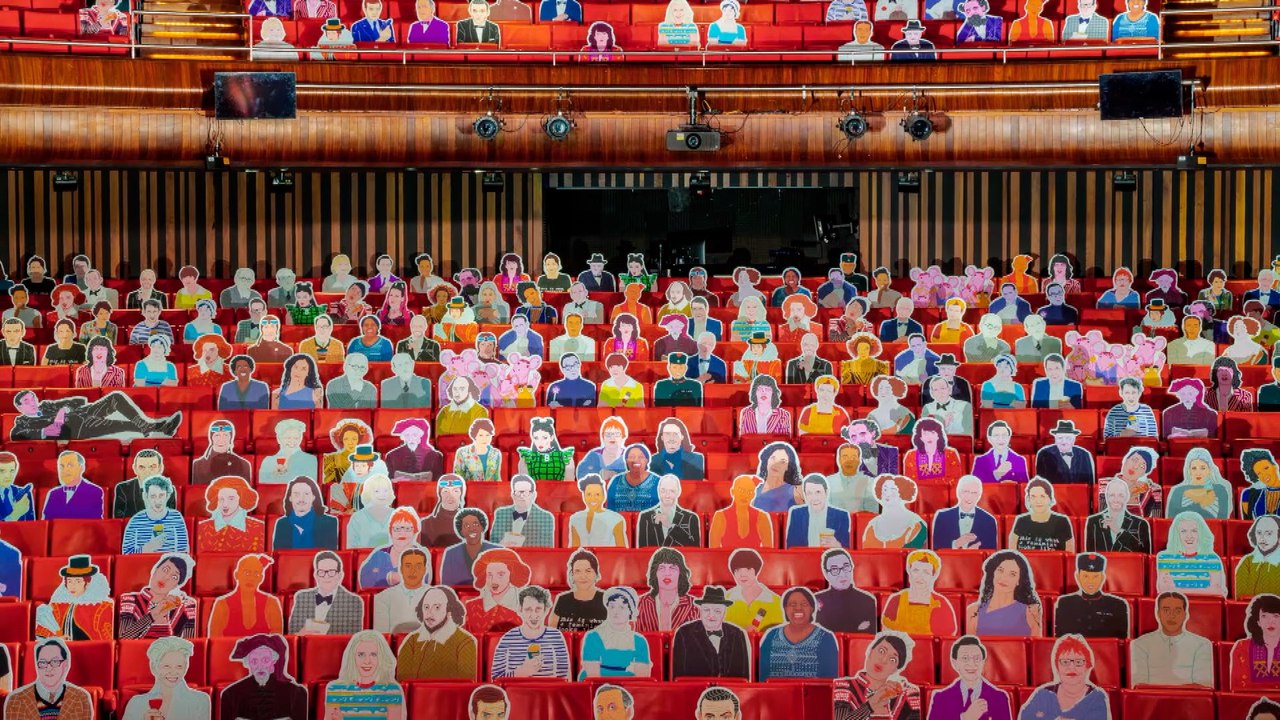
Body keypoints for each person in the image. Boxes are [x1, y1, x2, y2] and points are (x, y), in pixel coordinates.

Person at [1129, 591, 1214, 687]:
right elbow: (1138, 685)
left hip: (1189, 701)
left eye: (1177, 611)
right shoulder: (1140, 644)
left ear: (1185, 615)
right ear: (1158, 614)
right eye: (1166, 610)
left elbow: (1203, 686)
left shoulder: (1202, 645)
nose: (1172, 615)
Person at [1017, 634, 1111, 720]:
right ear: (1057, 667)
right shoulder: (1042, 695)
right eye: (1065, 662)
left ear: (1087, 666)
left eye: (1078, 662)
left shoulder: (1097, 697)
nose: (1071, 667)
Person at [833, 631, 922, 720]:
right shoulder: (843, 687)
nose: (883, 660)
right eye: (881, 651)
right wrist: (871, 705)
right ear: (870, 652)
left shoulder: (908, 694)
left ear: (895, 669)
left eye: (892, 659)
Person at [396, 585, 478, 680]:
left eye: (437, 607)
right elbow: (402, 682)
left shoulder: (465, 642)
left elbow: (466, 684)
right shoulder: (411, 641)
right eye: (426, 607)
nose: (429, 613)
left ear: (449, 611)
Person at [218, 634, 309, 720]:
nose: (260, 666)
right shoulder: (231, 695)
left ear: (273, 660)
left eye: (265, 660)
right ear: (247, 663)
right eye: (254, 661)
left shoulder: (295, 694)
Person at [119, 636, 212, 720]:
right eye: (166, 666)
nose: (173, 672)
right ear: (154, 667)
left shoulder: (200, 701)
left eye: (179, 666)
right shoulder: (136, 703)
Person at [490, 586, 571, 679]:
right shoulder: (507, 639)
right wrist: (523, 671)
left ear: (545, 610)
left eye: (538, 609)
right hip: (516, 692)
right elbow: (495, 679)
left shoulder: (556, 637)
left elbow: (565, 679)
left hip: (548, 693)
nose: (534, 615)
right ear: (520, 610)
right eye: (528, 609)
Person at [322, 632, 406, 719]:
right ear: (353, 657)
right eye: (361, 654)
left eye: (373, 655)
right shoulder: (335, 689)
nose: (367, 661)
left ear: (381, 657)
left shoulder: (392, 691)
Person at [5, 638, 95, 720]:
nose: (48, 668)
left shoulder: (81, 699)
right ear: (37, 665)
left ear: (65, 664)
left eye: (55, 662)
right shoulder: (16, 701)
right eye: (43, 663)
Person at [927, 636, 1013, 720]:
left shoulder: (999, 698)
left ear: (983, 662)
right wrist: (964, 718)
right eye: (965, 658)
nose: (971, 664)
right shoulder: (941, 699)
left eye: (977, 659)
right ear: (955, 663)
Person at [118, 553, 198, 639]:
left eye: (174, 577)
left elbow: (188, 648)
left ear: (176, 585)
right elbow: (124, 638)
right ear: (155, 570)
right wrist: (154, 614)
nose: (166, 577)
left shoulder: (186, 607)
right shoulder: (130, 601)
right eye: (165, 570)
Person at [579, 586, 652, 679]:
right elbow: (593, 677)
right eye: (612, 606)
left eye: (622, 607)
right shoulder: (593, 637)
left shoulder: (639, 641)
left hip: (628, 690)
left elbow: (641, 680)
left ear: (631, 611)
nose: (615, 611)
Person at [966, 550, 1043, 637]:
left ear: (1019, 581)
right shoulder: (973, 612)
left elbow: (1036, 648)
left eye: (1012, 574)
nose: (1004, 578)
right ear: (993, 572)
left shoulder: (1031, 612)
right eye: (1000, 570)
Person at [1054, 553, 1130, 639]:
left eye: (1095, 576)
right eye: (1086, 576)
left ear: (1102, 578)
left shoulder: (1118, 605)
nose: (1091, 581)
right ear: (1077, 577)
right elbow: (1061, 640)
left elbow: (1121, 641)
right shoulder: (1065, 604)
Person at [288, 551, 364, 635]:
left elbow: (354, 638)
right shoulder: (301, 597)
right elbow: (292, 634)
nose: (326, 576)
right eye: (321, 572)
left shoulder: (353, 602)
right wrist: (300, 634)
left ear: (339, 575)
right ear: (316, 575)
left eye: (331, 572)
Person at [882, 550, 957, 635]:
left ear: (933, 576)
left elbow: (946, 638)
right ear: (909, 571)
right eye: (916, 570)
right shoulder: (896, 600)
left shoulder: (941, 604)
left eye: (926, 572)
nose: (920, 576)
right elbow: (887, 635)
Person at [208, 554, 283, 637]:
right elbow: (215, 642)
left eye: (256, 575)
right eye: (247, 573)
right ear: (237, 575)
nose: (251, 578)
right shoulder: (222, 604)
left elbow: (277, 641)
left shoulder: (272, 603)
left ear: (261, 579)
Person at [1156, 511, 1227, 596]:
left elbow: (1217, 591)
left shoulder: (1212, 559)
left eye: (1194, 531)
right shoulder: (1165, 558)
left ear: (1201, 533)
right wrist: (1203, 590)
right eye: (1183, 531)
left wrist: (1177, 590)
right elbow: (1163, 590)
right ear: (1176, 534)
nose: (1189, 536)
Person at [815, 549, 879, 634]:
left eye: (846, 567)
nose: (842, 574)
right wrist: (856, 628)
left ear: (852, 568)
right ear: (826, 574)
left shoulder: (867, 601)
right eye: (834, 570)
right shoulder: (816, 600)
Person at [196, 475, 266, 553]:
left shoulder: (258, 528)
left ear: (241, 498)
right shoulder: (203, 528)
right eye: (221, 499)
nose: (225, 504)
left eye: (231, 499)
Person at [122, 476, 189, 554]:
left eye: (161, 495)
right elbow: (125, 556)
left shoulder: (176, 518)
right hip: (142, 565)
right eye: (153, 496)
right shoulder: (135, 521)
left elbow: (184, 553)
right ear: (146, 496)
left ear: (167, 496)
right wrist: (149, 547)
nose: (157, 501)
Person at [1085, 477, 1153, 554]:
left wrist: (1118, 531)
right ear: (1106, 497)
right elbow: (1090, 557)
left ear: (1127, 497)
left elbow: (1144, 553)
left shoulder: (1141, 524)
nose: (1116, 500)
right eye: (1112, 495)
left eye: (1120, 495)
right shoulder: (1093, 522)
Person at [932, 475, 999, 550]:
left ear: (979, 496)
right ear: (958, 492)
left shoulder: (989, 520)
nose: (969, 497)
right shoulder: (942, 517)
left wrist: (976, 552)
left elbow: (991, 552)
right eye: (966, 492)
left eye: (974, 493)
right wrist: (956, 544)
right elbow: (937, 549)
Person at [373, 548, 432, 633]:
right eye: (408, 566)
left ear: (425, 570)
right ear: (401, 569)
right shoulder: (383, 597)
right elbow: (382, 635)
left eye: (418, 566)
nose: (413, 571)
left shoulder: (437, 595)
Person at [786, 474, 852, 549]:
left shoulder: (841, 516)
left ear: (826, 493)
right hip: (804, 559)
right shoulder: (796, 514)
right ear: (805, 495)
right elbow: (791, 547)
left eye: (818, 492)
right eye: (809, 493)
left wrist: (837, 545)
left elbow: (848, 549)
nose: (814, 498)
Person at [1009, 478, 1076, 552]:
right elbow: (1013, 552)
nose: (1038, 501)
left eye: (1042, 496)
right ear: (1029, 500)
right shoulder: (1020, 521)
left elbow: (1070, 554)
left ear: (1050, 499)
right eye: (1033, 497)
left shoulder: (1062, 522)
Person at [709, 474, 775, 549]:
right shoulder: (720, 516)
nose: (745, 495)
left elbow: (768, 550)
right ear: (733, 491)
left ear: (753, 495)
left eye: (749, 492)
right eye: (741, 490)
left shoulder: (762, 517)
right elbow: (714, 551)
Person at [272, 476, 339, 550]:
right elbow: (279, 557)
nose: (301, 499)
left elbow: (329, 557)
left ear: (313, 497)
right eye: (296, 494)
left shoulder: (329, 523)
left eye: (306, 494)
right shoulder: (282, 524)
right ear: (290, 498)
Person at [724, 548, 782, 632]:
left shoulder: (775, 601)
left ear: (756, 571)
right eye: (737, 570)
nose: (742, 574)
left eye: (748, 569)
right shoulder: (725, 599)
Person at [439, 508, 501, 587]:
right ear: (461, 531)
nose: (471, 529)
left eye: (475, 524)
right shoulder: (450, 554)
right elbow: (446, 585)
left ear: (482, 527)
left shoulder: (497, 551)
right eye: (466, 525)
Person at [1166, 448, 1233, 521]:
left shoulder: (1220, 490)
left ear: (1209, 470)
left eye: (1203, 468)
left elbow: (1222, 520)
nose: (1198, 473)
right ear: (1189, 471)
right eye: (1194, 468)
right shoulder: (1178, 491)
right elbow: (1171, 521)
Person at [863, 474, 928, 549]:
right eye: (885, 489)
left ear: (903, 493)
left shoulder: (916, 524)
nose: (888, 494)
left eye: (893, 490)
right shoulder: (872, 525)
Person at [1230, 593, 1280, 689]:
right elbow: (1239, 687)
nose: (1271, 621)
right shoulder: (1242, 647)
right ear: (1258, 621)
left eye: (1276, 616)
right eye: (1264, 616)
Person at [638, 475, 701, 547]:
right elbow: (643, 551)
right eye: (663, 491)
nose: (667, 495)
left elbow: (694, 548)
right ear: (658, 491)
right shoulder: (646, 517)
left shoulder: (691, 518)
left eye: (672, 491)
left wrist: (670, 526)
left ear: (678, 492)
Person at [41, 451, 105, 519]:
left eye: (70, 465)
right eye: (61, 467)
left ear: (81, 468)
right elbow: (46, 521)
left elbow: (95, 524)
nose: (65, 470)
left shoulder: (94, 492)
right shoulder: (53, 494)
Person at [570, 474, 628, 547]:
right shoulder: (575, 519)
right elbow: (574, 547)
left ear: (603, 496)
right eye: (589, 494)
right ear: (584, 496)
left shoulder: (616, 519)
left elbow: (621, 549)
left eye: (597, 494)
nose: (593, 498)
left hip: (608, 557)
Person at [903, 417, 964, 484]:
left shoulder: (951, 454)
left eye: (932, 433)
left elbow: (955, 481)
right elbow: (910, 482)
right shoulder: (911, 455)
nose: (929, 437)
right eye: (925, 434)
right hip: (920, 494)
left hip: (944, 493)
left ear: (938, 436)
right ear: (920, 437)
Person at [191, 419, 252, 486]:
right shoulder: (197, 465)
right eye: (217, 435)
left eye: (225, 435)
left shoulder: (244, 465)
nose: (221, 439)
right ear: (211, 438)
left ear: (231, 438)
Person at [1034, 419, 1095, 485]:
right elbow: (1042, 484)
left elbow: (1090, 482)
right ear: (1055, 439)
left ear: (1074, 439)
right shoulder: (1044, 454)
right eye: (1060, 438)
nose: (1064, 442)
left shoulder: (1084, 454)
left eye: (1068, 438)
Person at [516, 416, 576, 482]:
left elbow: (569, 483)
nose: (540, 442)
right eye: (536, 438)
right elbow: (524, 483)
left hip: (560, 491)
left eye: (544, 438)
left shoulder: (565, 456)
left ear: (551, 437)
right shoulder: (527, 456)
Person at [751, 441, 804, 513]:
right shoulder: (754, 488)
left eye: (782, 462)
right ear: (767, 461)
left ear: (788, 467)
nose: (776, 464)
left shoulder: (797, 490)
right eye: (773, 458)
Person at [1236, 516, 1280, 597]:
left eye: (1269, 533)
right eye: (1259, 533)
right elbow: (1241, 597)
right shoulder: (1247, 562)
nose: (1262, 538)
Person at [453, 418, 502, 482]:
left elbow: (497, 477)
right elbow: (458, 477)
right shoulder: (463, 452)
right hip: (470, 489)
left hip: (490, 489)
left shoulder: (496, 453)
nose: (485, 439)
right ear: (474, 436)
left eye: (488, 435)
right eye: (481, 435)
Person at [1243, 448, 1280, 521]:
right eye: (1259, 473)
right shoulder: (1250, 495)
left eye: (1266, 468)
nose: (1264, 475)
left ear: (1275, 467)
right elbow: (1247, 525)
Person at [0, 452, 34, 522]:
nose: (8, 476)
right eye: (2, 471)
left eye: (12, 471)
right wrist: (15, 515)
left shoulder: (24, 494)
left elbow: (31, 525)